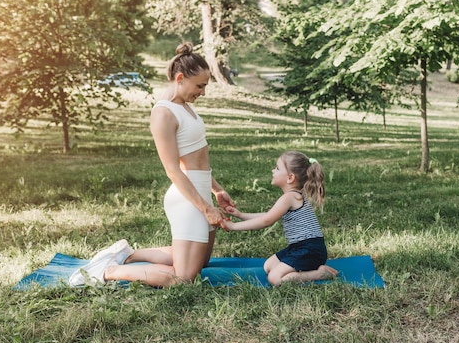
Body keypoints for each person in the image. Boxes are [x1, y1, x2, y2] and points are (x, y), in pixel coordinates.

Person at [69, 42, 234, 288]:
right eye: (200, 86)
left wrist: (217, 191)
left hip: (199, 193)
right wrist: (204, 208)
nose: (203, 92)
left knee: (202, 263)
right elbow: (172, 169)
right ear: (180, 78)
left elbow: (197, 158)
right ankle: (109, 270)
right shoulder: (163, 113)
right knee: (183, 278)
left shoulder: (184, 107)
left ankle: (128, 255)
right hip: (186, 199)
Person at [223, 151, 338, 286]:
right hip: (301, 247)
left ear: (290, 177)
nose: (273, 170)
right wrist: (240, 215)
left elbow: (267, 221)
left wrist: (233, 226)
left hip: (310, 250)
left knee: (274, 278)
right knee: (268, 266)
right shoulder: (294, 196)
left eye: (277, 168)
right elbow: (268, 215)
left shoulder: (290, 197)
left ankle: (319, 274)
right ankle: (309, 267)